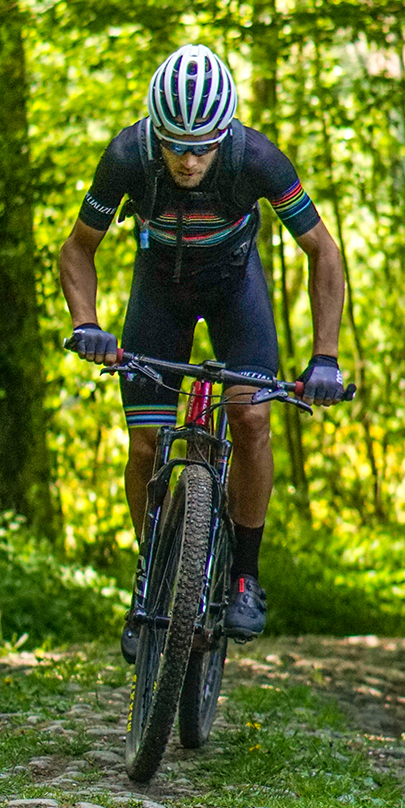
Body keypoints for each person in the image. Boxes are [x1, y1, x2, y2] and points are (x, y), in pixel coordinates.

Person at [59, 42, 346, 661]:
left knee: (249, 417)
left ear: (224, 134)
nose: (189, 161)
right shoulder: (127, 157)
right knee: (144, 444)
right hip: (158, 290)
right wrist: (87, 325)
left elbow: (323, 250)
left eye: (203, 147)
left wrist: (325, 356)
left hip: (234, 286)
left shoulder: (256, 158)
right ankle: (150, 581)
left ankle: (244, 576)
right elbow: (78, 248)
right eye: (176, 146)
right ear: (156, 133)